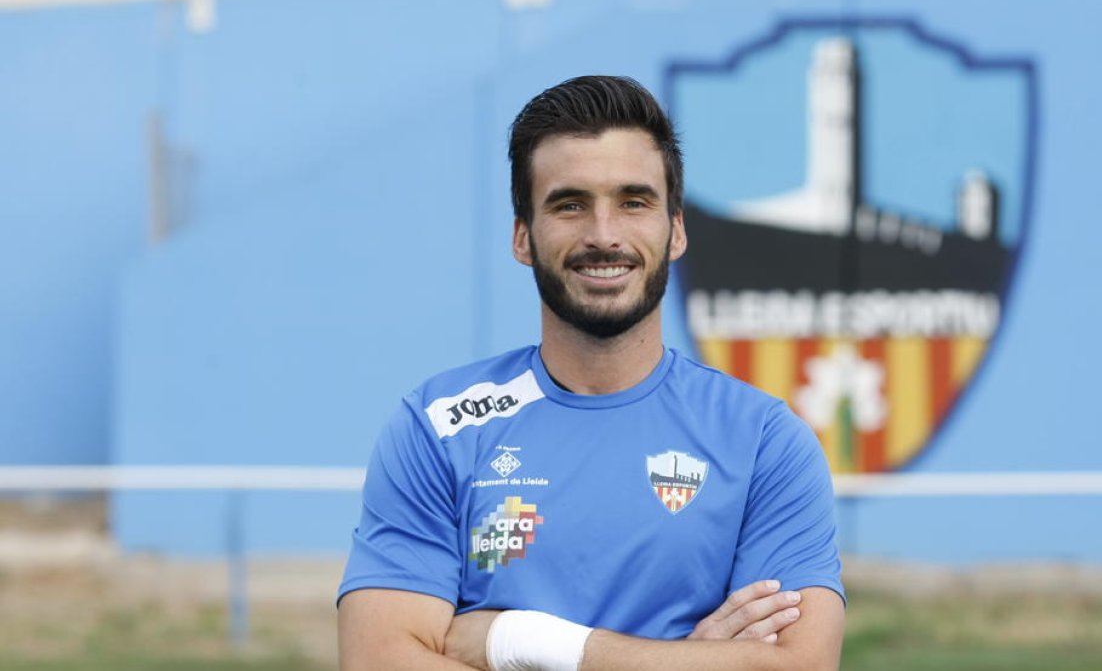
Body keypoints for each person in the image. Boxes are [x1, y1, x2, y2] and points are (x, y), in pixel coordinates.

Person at [337, 75, 845, 671]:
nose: (604, 235)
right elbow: (379, 660)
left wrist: (524, 643)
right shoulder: (439, 426)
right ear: (523, 236)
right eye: (570, 204)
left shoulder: (763, 442)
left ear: (675, 229)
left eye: (634, 201)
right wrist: (687, 661)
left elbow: (799, 666)